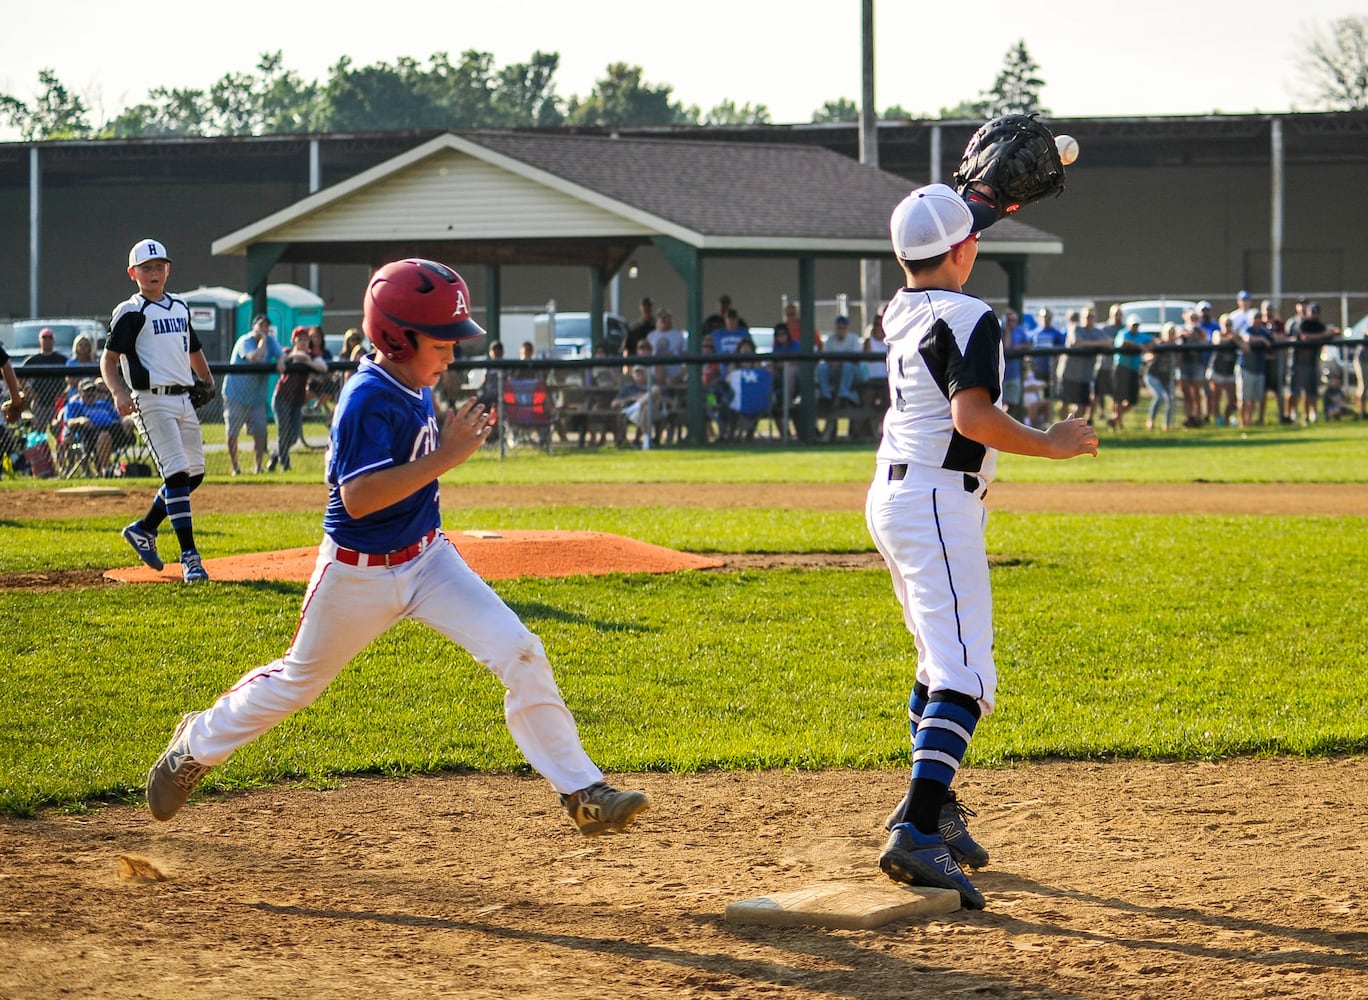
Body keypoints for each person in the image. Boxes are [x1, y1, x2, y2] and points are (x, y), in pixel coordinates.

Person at [144, 258, 651, 838]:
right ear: (396, 337)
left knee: (520, 649)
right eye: (443, 342)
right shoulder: (366, 396)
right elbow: (358, 498)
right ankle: (194, 746)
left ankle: (582, 790)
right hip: (356, 574)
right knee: (297, 684)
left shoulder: (412, 382)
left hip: (428, 558)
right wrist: (448, 456)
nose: (453, 355)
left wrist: (444, 449)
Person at [869, 185, 1097, 911]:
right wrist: (1050, 445)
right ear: (966, 251)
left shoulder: (899, 308)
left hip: (895, 494)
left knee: (939, 661)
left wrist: (975, 212)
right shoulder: (970, 314)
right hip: (937, 497)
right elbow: (973, 416)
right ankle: (915, 826)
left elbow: (942, 248)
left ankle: (932, 810)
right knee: (967, 673)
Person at [101, 238, 215, 582]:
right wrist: (118, 391)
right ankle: (190, 556)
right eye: (146, 268)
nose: (153, 273)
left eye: (158, 267)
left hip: (182, 398)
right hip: (150, 401)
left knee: (193, 474)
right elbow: (108, 360)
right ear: (132, 273)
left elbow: (193, 348)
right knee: (177, 474)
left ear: (168, 269)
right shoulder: (131, 310)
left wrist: (207, 380)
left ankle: (145, 528)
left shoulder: (179, 305)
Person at [222, 313, 282, 475]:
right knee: (232, 433)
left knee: (260, 432)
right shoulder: (244, 341)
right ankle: (236, 468)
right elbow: (255, 357)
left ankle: (258, 467)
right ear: (253, 327)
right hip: (236, 396)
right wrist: (263, 340)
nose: (265, 328)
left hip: (256, 398)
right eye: (261, 325)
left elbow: (282, 356)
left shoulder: (271, 341)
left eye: (266, 325)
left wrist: (281, 360)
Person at [269, 326, 328, 472]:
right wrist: (293, 358)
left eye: (305, 339)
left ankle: (275, 455)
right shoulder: (287, 352)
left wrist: (306, 361)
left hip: (297, 400)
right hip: (282, 397)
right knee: (283, 431)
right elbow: (281, 366)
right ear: (293, 340)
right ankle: (285, 464)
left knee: (294, 436)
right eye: (299, 339)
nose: (302, 342)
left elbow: (323, 367)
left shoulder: (311, 355)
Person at [54, 377, 135, 477]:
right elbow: (68, 422)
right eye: (87, 391)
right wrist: (80, 420)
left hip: (114, 431)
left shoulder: (104, 404)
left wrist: (128, 419)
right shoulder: (74, 405)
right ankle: (105, 471)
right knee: (105, 436)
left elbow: (119, 418)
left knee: (128, 422)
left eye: (93, 390)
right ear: (80, 392)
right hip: (89, 434)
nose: (90, 393)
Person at [1056, 307, 1107, 423]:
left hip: (1085, 375)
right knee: (1064, 402)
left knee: (1083, 404)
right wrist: (1097, 344)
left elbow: (1108, 343)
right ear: (1082, 318)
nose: (1089, 319)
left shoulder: (1098, 332)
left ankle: (1071, 427)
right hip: (1068, 373)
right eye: (1087, 316)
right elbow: (1076, 342)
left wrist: (1089, 344)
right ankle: (1063, 427)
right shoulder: (1075, 328)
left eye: (1092, 316)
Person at [1287, 301, 1333, 424]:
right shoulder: (1302, 324)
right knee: (1294, 391)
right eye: (1312, 312)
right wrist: (1323, 335)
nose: (1314, 314)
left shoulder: (1319, 325)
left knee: (1311, 391)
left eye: (1317, 312)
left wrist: (1332, 332)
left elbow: (1330, 335)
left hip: (1312, 363)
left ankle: (1309, 415)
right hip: (1298, 362)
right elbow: (1304, 337)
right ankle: (1292, 414)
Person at [20, 326, 69, 431]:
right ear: (39, 340)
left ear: (53, 340)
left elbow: (72, 378)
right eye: (44, 337)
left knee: (57, 430)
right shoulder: (32, 360)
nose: (47, 340)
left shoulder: (62, 359)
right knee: (40, 431)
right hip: (39, 403)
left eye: (50, 338)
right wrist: (30, 392)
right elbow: (19, 376)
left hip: (56, 403)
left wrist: (64, 392)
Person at [1111, 314, 1150, 429]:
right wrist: (1139, 346)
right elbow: (1123, 342)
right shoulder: (1123, 333)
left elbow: (1153, 341)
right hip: (1121, 368)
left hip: (1133, 369)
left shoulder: (1141, 335)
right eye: (1133, 325)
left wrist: (1147, 346)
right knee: (1119, 397)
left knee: (1133, 400)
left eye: (1136, 325)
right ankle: (1119, 423)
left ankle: (1114, 418)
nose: (1135, 327)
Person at [1236, 308, 1272, 427]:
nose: (1256, 320)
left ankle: (1250, 421)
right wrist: (1262, 340)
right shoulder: (1246, 328)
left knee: (1254, 399)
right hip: (1246, 367)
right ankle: (1242, 422)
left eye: (1258, 318)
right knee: (1244, 398)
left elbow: (1272, 340)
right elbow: (1246, 338)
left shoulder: (1263, 331)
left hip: (1259, 368)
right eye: (1254, 318)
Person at [1175, 310, 1209, 427]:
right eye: (1190, 317)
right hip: (1184, 364)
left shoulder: (1200, 331)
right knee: (1186, 393)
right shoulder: (1181, 330)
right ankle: (1188, 417)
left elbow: (1205, 343)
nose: (1192, 320)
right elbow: (1176, 343)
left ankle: (1198, 417)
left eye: (1194, 317)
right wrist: (1183, 335)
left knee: (1196, 393)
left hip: (1197, 364)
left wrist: (1197, 336)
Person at [1143, 322, 1178, 430]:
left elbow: (1178, 362)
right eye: (1169, 332)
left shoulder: (1176, 347)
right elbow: (1146, 357)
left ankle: (1167, 425)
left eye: (1173, 332)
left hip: (1167, 378)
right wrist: (1154, 353)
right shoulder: (1158, 344)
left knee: (1171, 399)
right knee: (1159, 397)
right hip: (1153, 375)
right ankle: (1151, 421)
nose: (1171, 335)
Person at [1207, 313, 1240, 426]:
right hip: (1217, 369)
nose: (1228, 326)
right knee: (1216, 397)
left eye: (1230, 324)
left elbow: (1246, 347)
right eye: (1226, 324)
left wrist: (1236, 338)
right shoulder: (1217, 333)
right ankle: (1218, 420)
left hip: (1229, 370)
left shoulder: (1235, 336)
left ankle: (1226, 418)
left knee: (1232, 399)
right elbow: (1218, 341)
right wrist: (1232, 338)